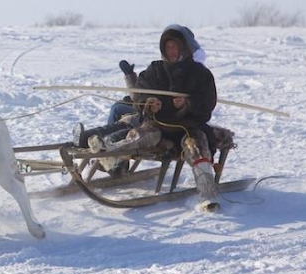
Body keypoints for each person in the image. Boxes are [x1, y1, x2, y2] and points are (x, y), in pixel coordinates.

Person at [73, 26, 220, 205]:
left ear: (183, 48)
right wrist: (149, 103)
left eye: (175, 47)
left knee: (196, 148)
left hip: (188, 127)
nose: (172, 52)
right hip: (158, 124)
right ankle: (111, 156)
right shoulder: (155, 70)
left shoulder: (200, 73)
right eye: (168, 48)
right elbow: (139, 94)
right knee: (138, 136)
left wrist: (188, 103)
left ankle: (208, 195)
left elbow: (208, 101)